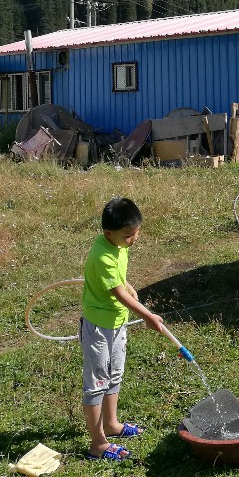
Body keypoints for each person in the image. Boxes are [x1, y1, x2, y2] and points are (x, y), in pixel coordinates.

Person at [80, 197, 164, 461]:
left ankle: (112, 424)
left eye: (137, 232)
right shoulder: (101, 255)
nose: (134, 239)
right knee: (97, 383)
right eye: (129, 235)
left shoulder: (119, 245)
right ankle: (97, 444)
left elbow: (119, 280)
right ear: (108, 233)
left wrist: (126, 283)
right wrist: (148, 316)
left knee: (114, 373)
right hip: (98, 328)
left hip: (117, 323)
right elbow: (117, 294)